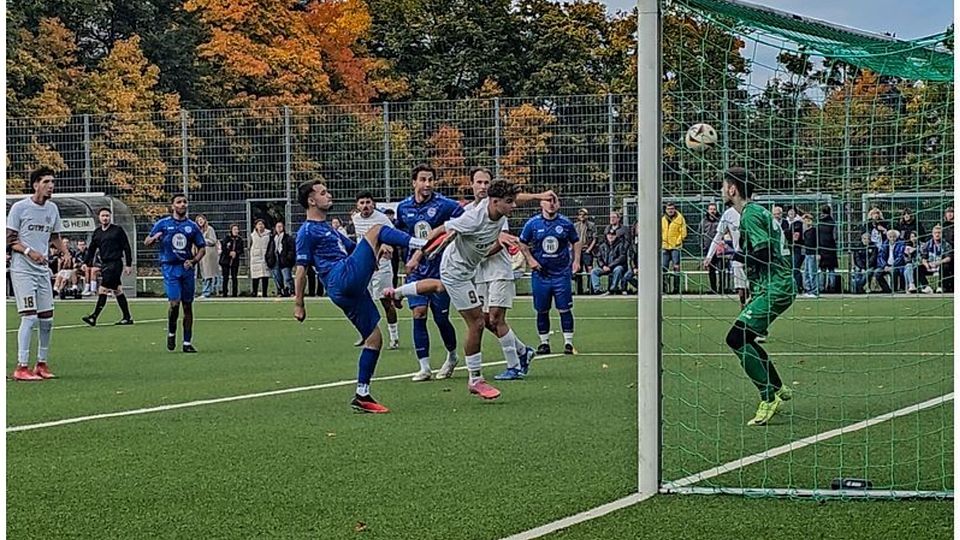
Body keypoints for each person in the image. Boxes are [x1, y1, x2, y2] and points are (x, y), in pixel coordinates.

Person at [385, 180, 536, 399]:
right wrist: (418, 253)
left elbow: (517, 197)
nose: (514, 206)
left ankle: (397, 293)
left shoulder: (496, 208)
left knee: (439, 286)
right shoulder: (473, 219)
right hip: (457, 270)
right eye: (509, 202)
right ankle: (475, 379)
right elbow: (440, 229)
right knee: (477, 322)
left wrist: (539, 197)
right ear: (494, 202)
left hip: (468, 269)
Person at [292, 179, 427, 413]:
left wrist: (377, 250)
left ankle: (362, 394)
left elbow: (355, 250)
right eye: (323, 193)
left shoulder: (329, 229)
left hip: (347, 287)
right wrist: (299, 304)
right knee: (375, 229)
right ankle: (421, 243)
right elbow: (301, 270)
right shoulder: (306, 230)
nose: (329, 195)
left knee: (374, 339)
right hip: (340, 277)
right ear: (311, 201)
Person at [719, 167, 795, 426]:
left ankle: (767, 397)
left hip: (777, 286)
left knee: (735, 338)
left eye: (724, 185)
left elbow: (763, 254)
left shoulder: (749, 215)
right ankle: (778, 387)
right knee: (747, 337)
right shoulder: (758, 211)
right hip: (773, 285)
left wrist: (732, 253)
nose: (722, 190)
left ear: (732, 189)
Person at [462, 168, 541, 380]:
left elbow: (501, 242)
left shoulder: (497, 211)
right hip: (480, 274)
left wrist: (478, 253)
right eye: (478, 182)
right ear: (471, 184)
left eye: (486, 182)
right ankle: (524, 351)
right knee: (485, 321)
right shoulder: (469, 211)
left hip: (498, 271)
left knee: (496, 319)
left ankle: (514, 366)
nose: (482, 186)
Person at [395, 164, 463, 381]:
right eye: (423, 179)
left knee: (441, 319)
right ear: (414, 182)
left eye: (431, 179)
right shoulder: (403, 207)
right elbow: (401, 233)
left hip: (440, 270)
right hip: (415, 270)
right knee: (418, 313)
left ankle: (452, 356)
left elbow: (460, 222)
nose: (427, 184)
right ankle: (424, 367)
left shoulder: (445, 205)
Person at [7, 166, 62, 381]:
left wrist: (65, 252)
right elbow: (10, 239)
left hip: (42, 271)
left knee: (47, 319)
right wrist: (30, 252)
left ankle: (41, 363)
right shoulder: (20, 208)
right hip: (23, 270)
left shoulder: (53, 209)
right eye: (47, 181)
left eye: (53, 182)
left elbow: (55, 235)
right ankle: (21, 367)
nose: (51, 186)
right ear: (35, 184)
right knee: (29, 317)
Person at [519, 196, 581, 355]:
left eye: (554, 201)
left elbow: (576, 241)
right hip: (541, 274)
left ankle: (568, 343)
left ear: (559, 204)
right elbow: (522, 243)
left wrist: (576, 261)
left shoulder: (565, 224)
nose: (551, 204)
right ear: (541, 203)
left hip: (561, 274)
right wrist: (530, 260)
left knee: (564, 309)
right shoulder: (532, 224)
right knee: (542, 310)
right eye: (548, 200)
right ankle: (544, 343)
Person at [144, 194, 206, 352]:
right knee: (174, 303)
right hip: (170, 268)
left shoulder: (192, 226)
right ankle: (171, 332)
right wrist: (154, 238)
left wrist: (193, 261)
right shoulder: (163, 224)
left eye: (185, 202)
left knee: (188, 305)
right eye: (179, 202)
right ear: (173, 206)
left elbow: (202, 248)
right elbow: (147, 242)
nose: (182, 204)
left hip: (186, 268)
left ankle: (187, 343)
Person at [351, 191, 401, 349]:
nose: (365, 205)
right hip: (364, 267)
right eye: (362, 203)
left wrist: (386, 246)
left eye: (368, 202)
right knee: (362, 302)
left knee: (385, 301)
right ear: (357, 206)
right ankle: (366, 334)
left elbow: (392, 238)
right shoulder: (356, 219)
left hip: (382, 267)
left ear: (373, 204)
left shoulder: (382, 219)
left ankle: (394, 336)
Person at [81, 207, 134, 326]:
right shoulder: (98, 232)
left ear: (110, 217)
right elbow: (92, 249)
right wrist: (86, 263)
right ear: (99, 217)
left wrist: (128, 264)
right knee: (117, 290)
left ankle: (94, 317)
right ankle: (127, 317)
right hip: (105, 264)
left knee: (103, 289)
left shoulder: (117, 230)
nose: (105, 218)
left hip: (115, 263)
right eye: (103, 216)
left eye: (107, 216)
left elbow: (126, 247)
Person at [703, 201, 748, 308]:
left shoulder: (754, 211)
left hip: (756, 256)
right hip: (739, 255)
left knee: (754, 288)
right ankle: (743, 307)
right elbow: (718, 236)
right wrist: (709, 256)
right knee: (742, 289)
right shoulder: (728, 214)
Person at [661, 203, 687, 294]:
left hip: (675, 247)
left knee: (676, 267)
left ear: (675, 209)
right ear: (666, 210)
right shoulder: (663, 219)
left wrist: (678, 241)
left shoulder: (680, 218)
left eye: (672, 208)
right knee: (663, 268)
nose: (670, 210)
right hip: (665, 247)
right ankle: (663, 288)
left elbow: (683, 232)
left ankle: (676, 288)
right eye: (668, 209)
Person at [266, 221, 295, 297]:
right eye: (277, 227)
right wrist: (268, 259)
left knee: (287, 277)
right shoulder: (273, 239)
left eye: (280, 226)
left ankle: (291, 290)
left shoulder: (288, 238)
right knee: (277, 277)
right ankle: (280, 290)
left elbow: (292, 249)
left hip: (284, 260)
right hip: (275, 260)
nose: (279, 228)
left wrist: (289, 258)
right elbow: (269, 250)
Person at [196, 214, 221, 299]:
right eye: (199, 220)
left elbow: (213, 240)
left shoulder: (209, 229)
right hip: (200, 254)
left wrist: (203, 240)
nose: (200, 222)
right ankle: (208, 290)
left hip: (209, 254)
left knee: (209, 274)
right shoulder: (198, 230)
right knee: (204, 273)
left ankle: (207, 292)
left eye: (201, 220)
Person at [700, 203, 721, 293]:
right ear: (708, 210)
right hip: (708, 249)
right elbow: (700, 234)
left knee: (721, 269)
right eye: (711, 209)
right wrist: (702, 246)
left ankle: (722, 288)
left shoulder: (720, 221)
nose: (712, 211)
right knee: (711, 270)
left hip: (720, 249)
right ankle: (713, 289)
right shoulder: (703, 221)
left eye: (714, 209)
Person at [220, 224, 244, 297]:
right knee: (225, 277)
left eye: (237, 229)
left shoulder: (240, 240)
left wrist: (236, 253)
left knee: (234, 277)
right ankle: (224, 293)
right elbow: (223, 247)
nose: (236, 231)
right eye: (234, 229)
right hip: (225, 261)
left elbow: (241, 250)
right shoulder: (226, 238)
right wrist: (229, 252)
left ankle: (234, 293)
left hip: (235, 261)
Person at [249, 219, 271, 297]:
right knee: (255, 277)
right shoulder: (252, 235)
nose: (260, 226)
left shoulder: (268, 235)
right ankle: (254, 292)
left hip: (265, 257)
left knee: (265, 276)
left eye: (262, 224)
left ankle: (265, 293)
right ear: (256, 226)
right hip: (255, 258)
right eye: (259, 224)